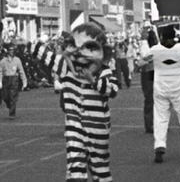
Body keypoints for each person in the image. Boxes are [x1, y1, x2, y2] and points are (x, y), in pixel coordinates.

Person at [36, 23, 120, 181]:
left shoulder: (104, 71)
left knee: (99, 168)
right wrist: (59, 43)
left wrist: (93, 80)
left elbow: (112, 90)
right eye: (75, 46)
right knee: (75, 167)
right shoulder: (66, 68)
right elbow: (40, 52)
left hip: (97, 128)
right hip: (74, 127)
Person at [146, 23, 180, 161]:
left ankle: (159, 147)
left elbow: (143, 59)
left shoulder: (155, 50)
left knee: (160, 117)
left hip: (160, 86)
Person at [0, 46, 26, 117]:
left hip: (14, 78)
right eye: (10, 50)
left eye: (13, 50)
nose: (12, 51)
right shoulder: (3, 61)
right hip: (6, 79)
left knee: (13, 96)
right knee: (5, 96)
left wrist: (24, 81)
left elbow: (21, 71)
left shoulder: (17, 60)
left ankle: (12, 113)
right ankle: (10, 105)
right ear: (7, 51)